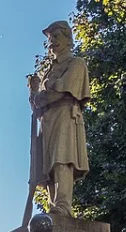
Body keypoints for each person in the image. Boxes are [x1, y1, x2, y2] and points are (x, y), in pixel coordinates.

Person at [30, 20, 92, 217]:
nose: (52, 42)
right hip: (47, 121)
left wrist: (44, 94)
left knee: (62, 159)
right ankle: (53, 207)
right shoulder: (48, 71)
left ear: (67, 38)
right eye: (50, 39)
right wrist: (34, 91)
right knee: (46, 168)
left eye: (56, 37)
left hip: (65, 115)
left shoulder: (76, 64)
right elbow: (37, 106)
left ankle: (63, 205)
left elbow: (63, 89)